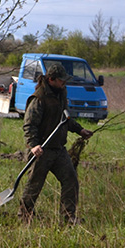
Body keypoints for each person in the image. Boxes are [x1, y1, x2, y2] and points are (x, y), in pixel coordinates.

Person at [19, 63, 93, 224]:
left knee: (71, 180)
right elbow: (29, 125)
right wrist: (33, 145)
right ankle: (24, 216)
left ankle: (69, 218)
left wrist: (80, 130)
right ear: (51, 80)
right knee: (34, 185)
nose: (64, 83)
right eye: (61, 81)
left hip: (59, 150)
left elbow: (65, 119)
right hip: (41, 151)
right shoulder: (39, 98)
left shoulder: (60, 94)